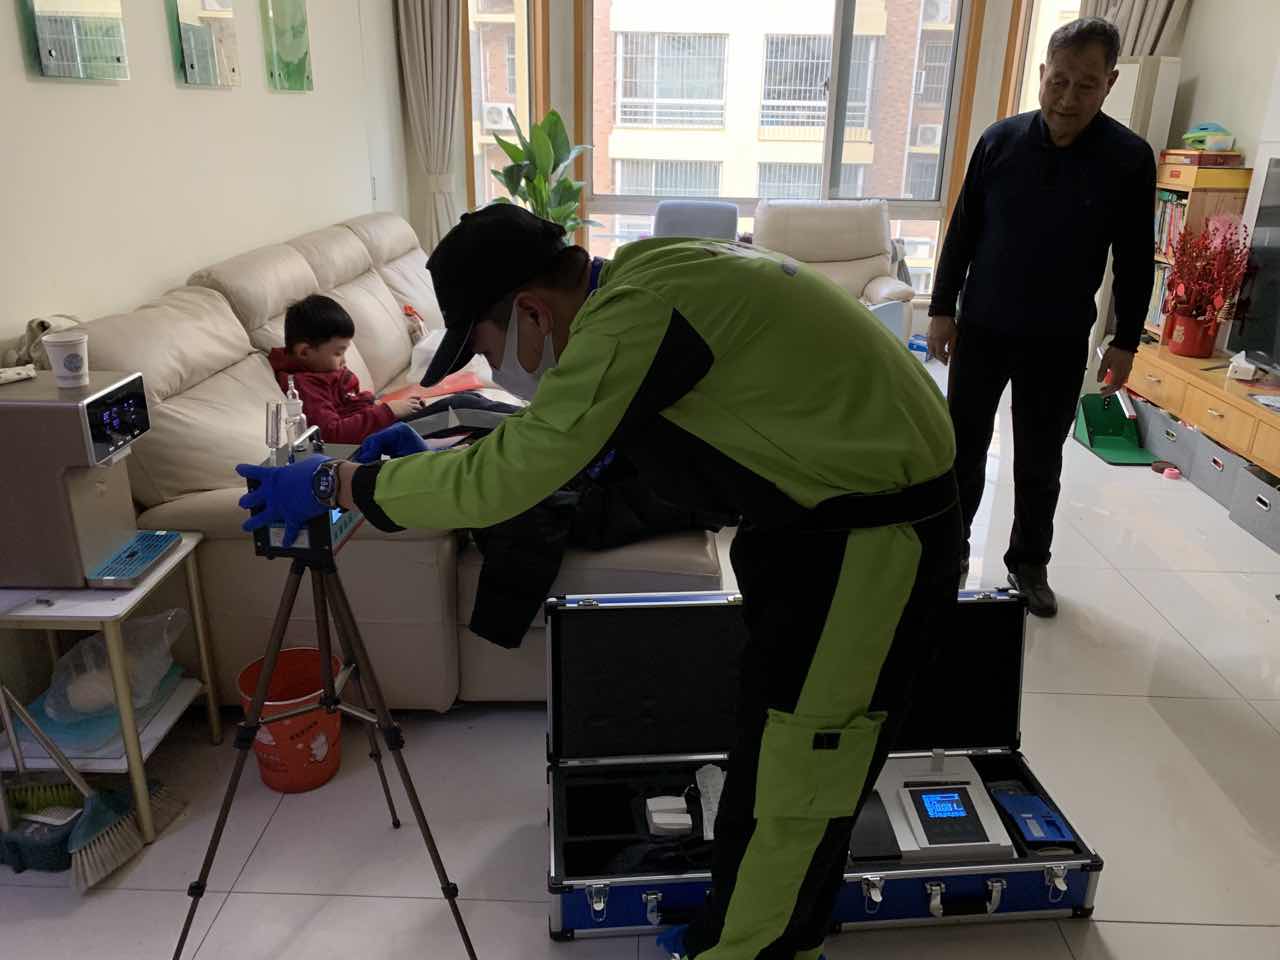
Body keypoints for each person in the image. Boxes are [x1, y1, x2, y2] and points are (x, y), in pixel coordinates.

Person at [238, 203, 961, 960]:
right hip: (826, 518)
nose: (492, 364)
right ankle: (737, 926)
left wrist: (338, 484)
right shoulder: (645, 274)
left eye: (485, 346)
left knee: (804, 768)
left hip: (870, 539)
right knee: (776, 742)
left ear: (530, 311)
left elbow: (510, 475)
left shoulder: (631, 318)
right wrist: (433, 439)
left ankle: (754, 949)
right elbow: (561, 429)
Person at [927, 16, 1156, 618]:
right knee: (961, 451)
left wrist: (1126, 340)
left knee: (1038, 461)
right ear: (1040, 75)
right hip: (982, 327)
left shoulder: (1129, 159)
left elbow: (1136, 259)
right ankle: (948, 554)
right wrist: (941, 309)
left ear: (1109, 84)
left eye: (1086, 85)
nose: (1067, 98)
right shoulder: (999, 141)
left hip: (1058, 338)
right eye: (1058, 81)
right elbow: (963, 232)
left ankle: (1028, 565)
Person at [268, 294, 426, 444]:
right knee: (434, 424)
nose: (344, 360)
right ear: (304, 352)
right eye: (338, 353)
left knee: (438, 412)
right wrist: (388, 411)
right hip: (368, 444)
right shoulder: (305, 386)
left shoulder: (323, 369)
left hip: (376, 426)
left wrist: (379, 405)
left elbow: (351, 405)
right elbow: (332, 434)